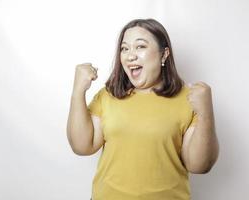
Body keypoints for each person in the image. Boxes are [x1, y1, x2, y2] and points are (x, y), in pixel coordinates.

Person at [67, 18, 219, 200]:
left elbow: (199, 165)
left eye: (140, 47)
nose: (130, 55)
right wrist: (78, 93)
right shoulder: (108, 96)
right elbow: (82, 146)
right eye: (125, 48)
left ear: (164, 55)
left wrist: (206, 114)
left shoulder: (188, 99)